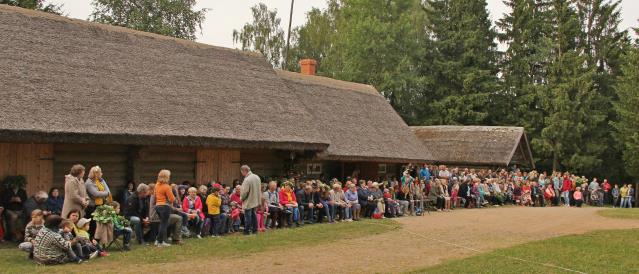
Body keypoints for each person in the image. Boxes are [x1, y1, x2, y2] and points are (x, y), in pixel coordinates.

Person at [85, 165, 113, 236]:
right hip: (92, 207)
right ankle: (92, 241)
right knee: (93, 225)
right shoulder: (89, 182)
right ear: (96, 174)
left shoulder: (101, 181)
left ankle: (99, 240)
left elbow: (108, 191)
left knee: (100, 225)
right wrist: (105, 193)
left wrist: (105, 192)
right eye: (100, 172)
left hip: (100, 205)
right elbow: (96, 194)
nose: (102, 174)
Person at [154, 170, 175, 247]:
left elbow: (155, 195)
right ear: (167, 177)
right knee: (164, 224)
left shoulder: (156, 185)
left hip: (157, 206)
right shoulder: (167, 186)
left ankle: (159, 240)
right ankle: (160, 242)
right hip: (165, 206)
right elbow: (172, 199)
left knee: (162, 223)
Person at [240, 165, 261, 235]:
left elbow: (244, 192)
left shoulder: (247, 179)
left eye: (242, 172)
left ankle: (247, 231)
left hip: (248, 200)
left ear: (244, 171)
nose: (242, 174)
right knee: (254, 215)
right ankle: (255, 230)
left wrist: (241, 198)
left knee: (248, 216)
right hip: (255, 199)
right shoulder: (257, 177)